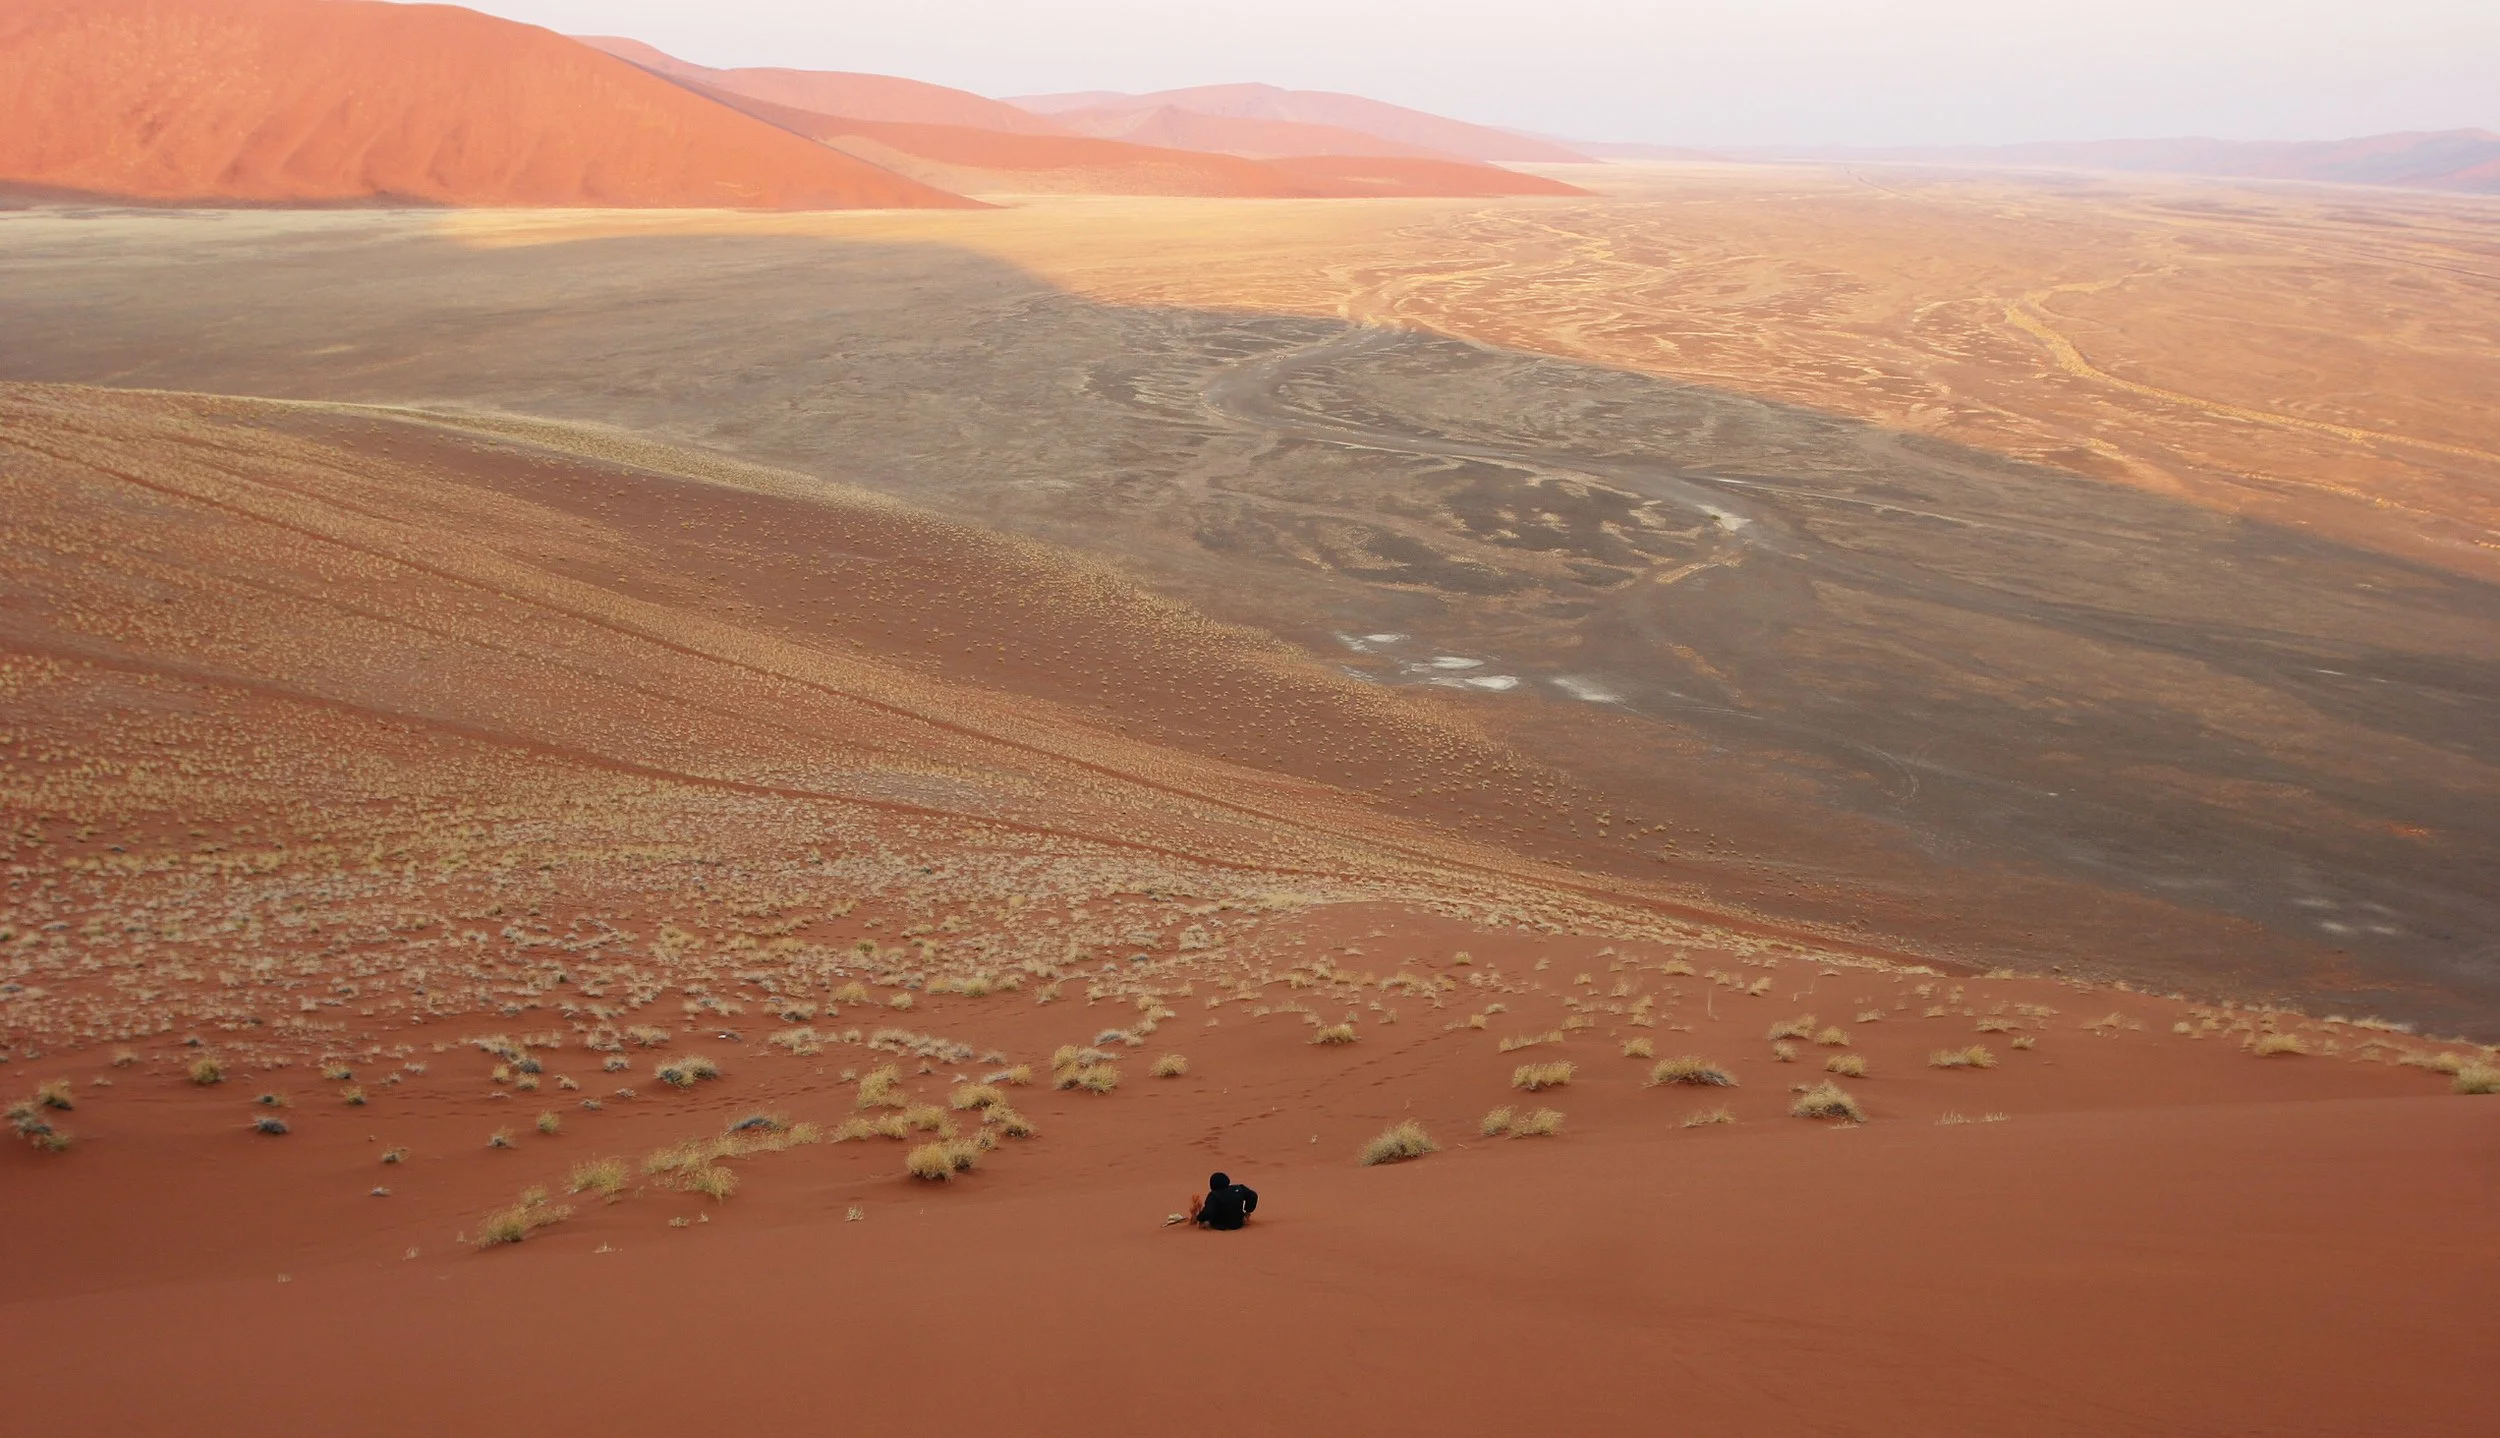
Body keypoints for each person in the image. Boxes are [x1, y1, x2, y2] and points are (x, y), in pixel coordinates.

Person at [1188, 1171, 1259, 1230]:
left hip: (1219, 1225)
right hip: (1239, 1223)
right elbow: (1253, 1195)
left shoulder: (1213, 1195)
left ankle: (1196, 1216)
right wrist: (1247, 1213)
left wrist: (1199, 1217)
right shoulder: (1239, 1188)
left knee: (1203, 1222)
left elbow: (1209, 1212)